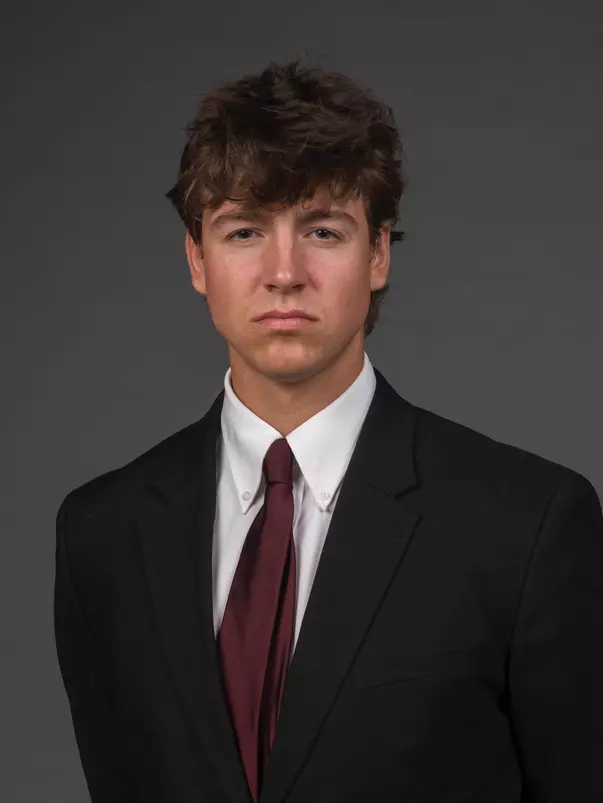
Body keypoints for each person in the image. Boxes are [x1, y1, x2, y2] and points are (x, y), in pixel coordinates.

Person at [54, 57, 603, 803]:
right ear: (196, 259)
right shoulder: (103, 533)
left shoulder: (527, 524)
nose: (284, 272)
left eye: (321, 229)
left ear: (376, 253)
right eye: (244, 230)